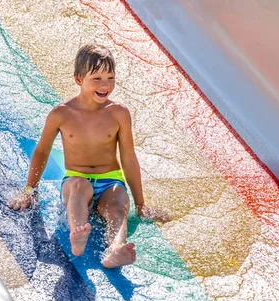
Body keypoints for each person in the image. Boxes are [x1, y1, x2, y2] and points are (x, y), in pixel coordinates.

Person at [9, 43, 168, 268]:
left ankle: (114, 249)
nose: (105, 85)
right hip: (76, 177)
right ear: (78, 79)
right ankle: (78, 234)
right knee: (80, 189)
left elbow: (129, 158)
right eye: (97, 78)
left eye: (110, 78)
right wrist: (30, 191)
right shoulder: (62, 113)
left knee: (117, 206)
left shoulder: (119, 113)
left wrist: (140, 204)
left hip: (110, 178)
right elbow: (42, 151)